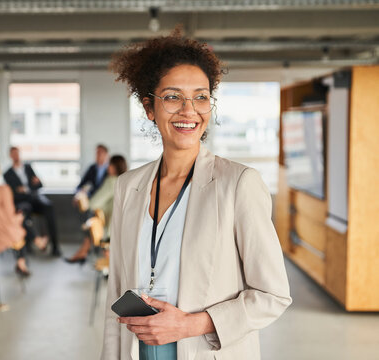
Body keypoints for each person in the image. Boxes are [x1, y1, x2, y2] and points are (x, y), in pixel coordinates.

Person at [101, 29, 292, 360]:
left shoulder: (238, 183)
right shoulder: (127, 187)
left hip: (205, 351)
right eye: (173, 97)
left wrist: (190, 325)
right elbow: (115, 293)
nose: (189, 111)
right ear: (149, 107)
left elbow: (272, 295)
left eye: (201, 97)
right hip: (139, 350)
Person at [65, 155, 127, 264]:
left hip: (111, 230)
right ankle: (84, 251)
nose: (108, 167)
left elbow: (93, 204)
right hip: (123, 227)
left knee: (89, 218)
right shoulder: (125, 181)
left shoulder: (112, 181)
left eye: (110, 164)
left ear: (114, 167)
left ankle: (85, 251)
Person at [3, 146, 61, 257]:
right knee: (23, 212)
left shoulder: (28, 168)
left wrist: (25, 188)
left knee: (49, 207)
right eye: (13, 154)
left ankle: (55, 246)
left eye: (17, 153)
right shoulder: (7, 174)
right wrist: (28, 187)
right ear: (10, 156)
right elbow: (13, 193)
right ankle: (29, 243)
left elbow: (39, 184)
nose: (16, 156)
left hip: (34, 198)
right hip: (21, 202)